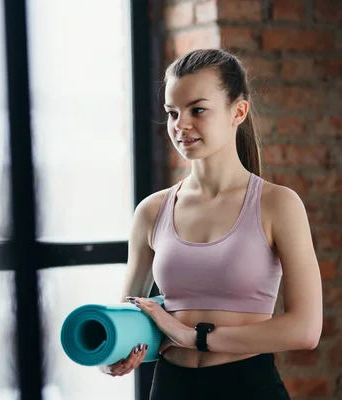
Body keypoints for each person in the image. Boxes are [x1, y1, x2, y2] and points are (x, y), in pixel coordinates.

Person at [99, 48, 323, 399]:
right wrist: (111, 354)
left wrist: (194, 337)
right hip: (171, 387)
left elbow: (305, 328)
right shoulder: (151, 211)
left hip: (248, 386)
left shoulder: (278, 205)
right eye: (172, 113)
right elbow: (129, 310)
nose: (180, 124)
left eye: (197, 110)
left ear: (238, 111)